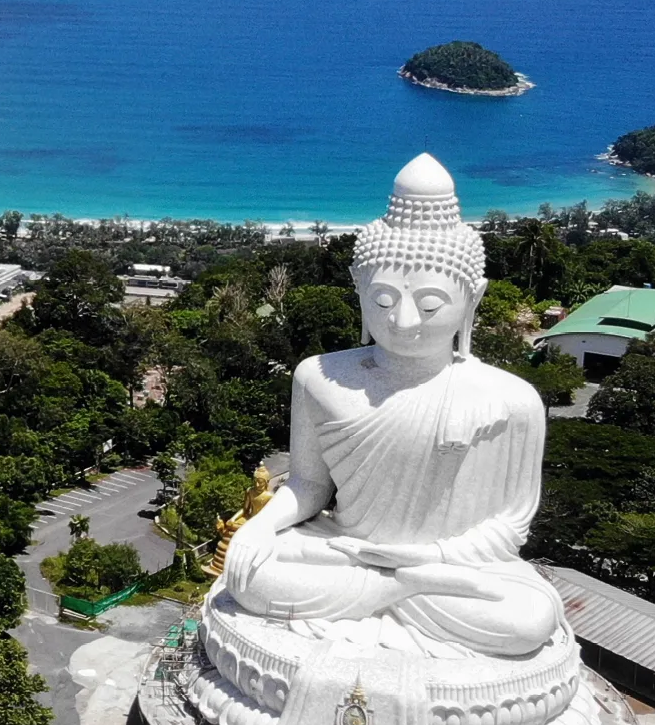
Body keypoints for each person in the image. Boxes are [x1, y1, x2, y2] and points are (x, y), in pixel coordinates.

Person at [217, 153, 561, 659]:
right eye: (381, 300)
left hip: (448, 569)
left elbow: (510, 524)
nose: (402, 320)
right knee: (251, 576)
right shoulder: (320, 376)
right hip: (345, 553)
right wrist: (261, 526)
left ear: (473, 299)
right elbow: (310, 485)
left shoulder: (511, 400)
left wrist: (425, 560)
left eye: (428, 304)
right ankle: (390, 592)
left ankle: (391, 591)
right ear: (358, 292)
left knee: (528, 619)